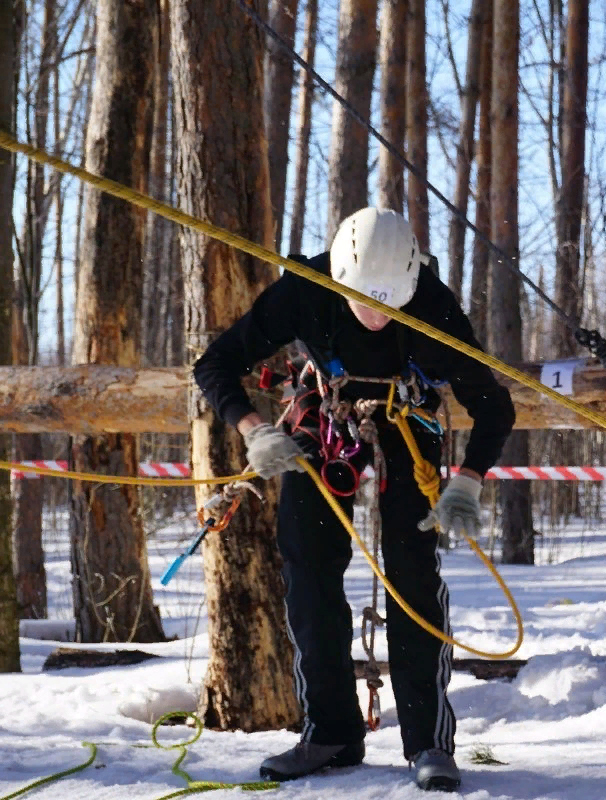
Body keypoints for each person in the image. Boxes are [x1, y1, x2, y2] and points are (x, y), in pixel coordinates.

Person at [194, 207, 515, 791]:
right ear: (341, 278)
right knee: (306, 561)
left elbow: (493, 405)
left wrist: (468, 480)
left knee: (411, 569)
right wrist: (253, 430)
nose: (375, 316)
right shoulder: (307, 290)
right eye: (364, 301)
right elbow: (214, 363)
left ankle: (428, 743)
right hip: (325, 415)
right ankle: (331, 731)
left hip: (407, 419)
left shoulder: (433, 307)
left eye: (388, 304)